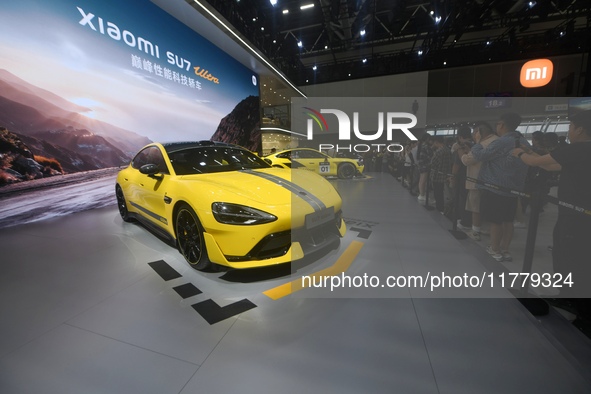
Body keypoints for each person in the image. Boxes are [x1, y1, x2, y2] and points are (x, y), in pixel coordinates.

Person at [512, 110, 591, 333]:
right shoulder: (580, 152)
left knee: (572, 257)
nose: (569, 131)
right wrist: (529, 153)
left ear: (580, 129)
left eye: (570, 127)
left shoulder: (578, 148)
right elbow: (550, 165)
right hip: (577, 214)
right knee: (573, 256)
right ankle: (568, 297)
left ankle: (580, 308)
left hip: (575, 217)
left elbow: (535, 161)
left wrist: (519, 154)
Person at [471, 112, 529, 262]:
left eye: (497, 124)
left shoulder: (501, 142)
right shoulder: (524, 141)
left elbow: (481, 156)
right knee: (508, 220)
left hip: (496, 186)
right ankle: (505, 249)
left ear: (502, 125)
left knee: (495, 220)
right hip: (513, 188)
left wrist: (477, 142)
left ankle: (494, 249)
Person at [460, 121, 498, 241]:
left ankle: (476, 231)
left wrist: (460, 152)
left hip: (477, 180)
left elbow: (468, 160)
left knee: (475, 206)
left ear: (479, 132)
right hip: (491, 181)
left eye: (474, 132)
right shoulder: (496, 140)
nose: (472, 135)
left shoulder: (482, 144)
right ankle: (485, 229)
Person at [450, 126, 473, 228]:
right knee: (471, 200)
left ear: (459, 137)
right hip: (474, 177)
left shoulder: (460, 147)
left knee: (461, 199)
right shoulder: (475, 145)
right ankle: (472, 221)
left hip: (462, 177)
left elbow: (456, 165)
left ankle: (464, 221)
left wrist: (453, 177)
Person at [429, 136, 452, 213]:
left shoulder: (438, 152)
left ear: (436, 142)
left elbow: (433, 163)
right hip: (446, 174)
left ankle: (439, 207)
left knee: (437, 192)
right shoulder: (448, 150)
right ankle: (442, 207)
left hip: (437, 175)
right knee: (443, 192)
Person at [416, 133, 433, 202]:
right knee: (423, 180)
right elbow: (430, 155)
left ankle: (421, 194)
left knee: (421, 180)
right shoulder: (425, 146)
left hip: (421, 164)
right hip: (425, 165)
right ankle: (422, 195)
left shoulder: (421, 146)